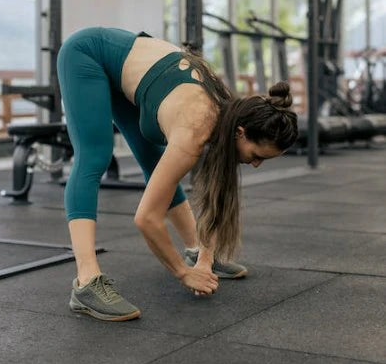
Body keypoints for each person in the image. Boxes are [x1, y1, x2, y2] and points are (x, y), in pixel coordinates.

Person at [57, 27, 298, 322]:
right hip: (88, 54)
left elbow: (216, 198)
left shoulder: (229, 113)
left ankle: (195, 250)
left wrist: (205, 263)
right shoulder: (195, 130)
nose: (256, 164)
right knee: (94, 156)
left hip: (134, 76)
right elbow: (146, 219)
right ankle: (86, 282)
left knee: (156, 161)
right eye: (256, 156)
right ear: (240, 133)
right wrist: (184, 275)